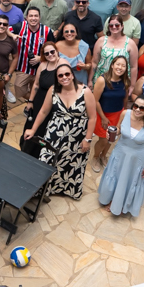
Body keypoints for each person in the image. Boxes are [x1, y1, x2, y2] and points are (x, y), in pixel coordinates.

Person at [25, 63, 98, 200]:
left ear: (72, 75)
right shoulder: (53, 90)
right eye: (60, 75)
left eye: (67, 74)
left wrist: (88, 139)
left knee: (71, 163)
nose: (64, 77)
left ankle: (67, 190)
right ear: (57, 78)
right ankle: (42, 189)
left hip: (77, 135)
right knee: (46, 158)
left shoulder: (85, 91)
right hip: (55, 131)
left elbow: (92, 117)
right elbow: (43, 111)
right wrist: (33, 129)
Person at [97, 93, 144, 217]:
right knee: (115, 175)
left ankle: (120, 204)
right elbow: (119, 128)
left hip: (137, 158)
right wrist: (113, 133)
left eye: (142, 108)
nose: (137, 110)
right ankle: (110, 198)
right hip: (120, 152)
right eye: (135, 106)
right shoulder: (125, 113)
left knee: (127, 180)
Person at [90, 55, 131, 172]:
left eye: (123, 65)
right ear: (112, 65)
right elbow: (95, 100)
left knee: (111, 139)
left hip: (117, 114)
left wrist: (123, 115)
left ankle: (103, 156)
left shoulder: (125, 81)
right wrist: (103, 117)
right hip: (103, 114)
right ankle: (95, 157)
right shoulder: (102, 80)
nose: (120, 67)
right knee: (103, 139)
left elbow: (125, 99)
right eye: (118, 64)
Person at [9, 8, 54, 101]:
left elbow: (54, 50)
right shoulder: (20, 26)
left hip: (41, 68)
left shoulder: (47, 30)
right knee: (19, 89)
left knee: (38, 90)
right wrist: (12, 35)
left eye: (36, 16)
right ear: (26, 17)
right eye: (31, 16)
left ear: (40, 17)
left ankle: (33, 106)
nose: (33, 18)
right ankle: (34, 101)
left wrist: (40, 58)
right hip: (23, 68)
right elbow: (5, 29)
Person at [91, 17, 139, 88]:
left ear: (122, 26)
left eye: (117, 25)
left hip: (121, 81)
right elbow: (94, 62)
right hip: (101, 79)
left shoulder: (130, 43)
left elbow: (134, 66)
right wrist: (90, 80)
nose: (114, 27)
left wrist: (132, 85)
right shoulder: (101, 41)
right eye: (111, 25)